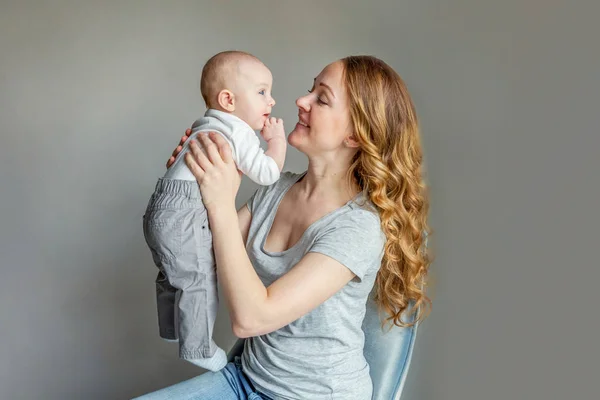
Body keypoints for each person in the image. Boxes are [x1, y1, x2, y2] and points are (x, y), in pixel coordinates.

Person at [135, 55, 431, 400]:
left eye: (321, 98)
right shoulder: (277, 190)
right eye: (310, 90)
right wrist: (192, 182)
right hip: (245, 380)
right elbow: (206, 254)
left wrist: (219, 203)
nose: (300, 101)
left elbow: (251, 319)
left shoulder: (357, 227)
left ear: (354, 135)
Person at [142, 51, 286, 372]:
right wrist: (276, 144)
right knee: (199, 279)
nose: (272, 101)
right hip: (185, 212)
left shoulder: (204, 124)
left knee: (171, 272)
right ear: (228, 100)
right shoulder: (238, 131)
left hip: (161, 206)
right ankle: (198, 346)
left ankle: (171, 328)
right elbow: (266, 173)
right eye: (262, 92)